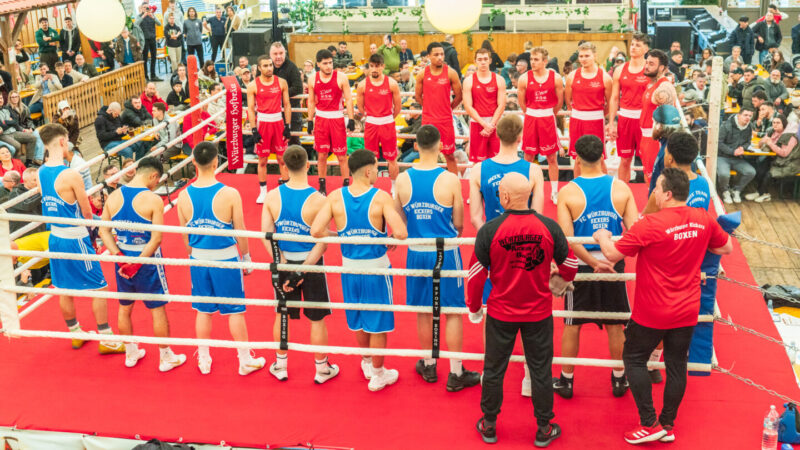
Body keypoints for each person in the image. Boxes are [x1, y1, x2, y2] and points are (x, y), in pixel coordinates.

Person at [593, 168, 733, 444]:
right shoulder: (703, 218)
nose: (653, 192)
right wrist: (703, 244)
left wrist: (601, 236)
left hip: (653, 310)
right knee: (677, 365)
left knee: (632, 359)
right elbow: (726, 248)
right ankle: (667, 424)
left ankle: (649, 423)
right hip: (687, 308)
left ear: (668, 194)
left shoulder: (651, 224)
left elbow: (611, 254)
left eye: (657, 188)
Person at [468, 171, 578, 448]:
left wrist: (473, 307)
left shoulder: (490, 230)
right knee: (540, 370)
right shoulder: (548, 227)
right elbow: (572, 266)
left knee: (493, 369)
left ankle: (489, 423)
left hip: (501, 312)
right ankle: (544, 427)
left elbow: (475, 275)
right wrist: (557, 279)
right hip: (538, 313)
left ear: (504, 197)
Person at [310, 149, 408, 392]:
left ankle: (367, 363)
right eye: (376, 167)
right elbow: (402, 233)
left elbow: (315, 231)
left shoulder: (334, 197)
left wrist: (341, 236)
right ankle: (377, 374)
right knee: (378, 323)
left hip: (349, 269)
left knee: (361, 320)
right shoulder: (381, 197)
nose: (378, 172)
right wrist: (390, 238)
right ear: (367, 170)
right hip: (376, 270)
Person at [394, 125, 481, 391]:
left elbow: (399, 218)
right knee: (452, 312)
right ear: (441, 145)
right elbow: (458, 222)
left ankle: (429, 365)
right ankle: (456, 371)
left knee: (423, 310)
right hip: (446, 252)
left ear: (416, 146)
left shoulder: (403, 179)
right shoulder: (450, 179)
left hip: (416, 251)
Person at [553, 134, 638, 399]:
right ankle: (619, 379)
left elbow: (566, 240)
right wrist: (609, 260)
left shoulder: (568, 192)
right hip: (614, 264)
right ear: (603, 156)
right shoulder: (622, 188)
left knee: (572, 323)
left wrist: (591, 263)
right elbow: (634, 233)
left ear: (576, 158)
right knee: (616, 325)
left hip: (581, 267)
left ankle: (566, 381)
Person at [176, 141, 265, 375]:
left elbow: (185, 236)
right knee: (235, 310)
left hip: (198, 259)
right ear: (216, 162)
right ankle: (244, 359)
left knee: (203, 310)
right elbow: (240, 230)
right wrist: (246, 257)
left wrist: (193, 255)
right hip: (226, 260)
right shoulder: (229, 193)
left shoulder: (183, 196)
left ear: (193, 161)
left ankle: (203, 358)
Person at [37, 123, 125, 353]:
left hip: (55, 237)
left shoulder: (40, 172)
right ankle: (106, 337)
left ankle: (75, 333)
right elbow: (87, 212)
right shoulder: (70, 174)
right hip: (75, 238)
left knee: (63, 287)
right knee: (99, 287)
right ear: (63, 142)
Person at [98, 157, 186, 371]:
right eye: (157, 180)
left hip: (122, 258)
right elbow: (156, 239)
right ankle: (166, 357)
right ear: (153, 176)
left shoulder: (114, 196)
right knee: (157, 309)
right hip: (147, 260)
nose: (156, 185)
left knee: (124, 307)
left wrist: (119, 256)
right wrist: (137, 264)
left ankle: (130, 353)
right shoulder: (153, 200)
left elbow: (103, 231)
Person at [259, 145, 338, 384]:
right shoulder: (318, 199)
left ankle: (280, 365)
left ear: (282, 165)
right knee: (317, 318)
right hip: (310, 264)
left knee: (282, 315)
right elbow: (321, 242)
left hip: (284, 264)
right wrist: (301, 269)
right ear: (308, 165)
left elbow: (266, 234)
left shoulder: (272, 196)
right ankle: (321, 368)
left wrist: (283, 265)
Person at [518, 47, 562, 203]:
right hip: (531, 118)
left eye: (536, 59)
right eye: (531, 59)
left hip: (548, 119)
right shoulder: (524, 78)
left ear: (545, 61)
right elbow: (522, 103)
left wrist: (547, 113)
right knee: (528, 156)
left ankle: (555, 191)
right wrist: (533, 113)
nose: (532, 62)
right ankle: (524, 190)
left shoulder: (555, 78)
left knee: (552, 158)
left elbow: (559, 102)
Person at [307, 49, 355, 194]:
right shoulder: (312, 79)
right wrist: (310, 120)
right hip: (321, 119)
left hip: (337, 119)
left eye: (330, 63)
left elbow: (348, 99)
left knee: (341, 155)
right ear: (318, 64)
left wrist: (351, 119)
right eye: (325, 63)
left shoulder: (341, 77)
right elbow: (310, 101)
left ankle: (346, 185)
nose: (328, 66)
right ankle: (322, 186)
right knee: (321, 155)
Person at [247, 55, 292, 202]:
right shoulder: (253, 85)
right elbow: (251, 109)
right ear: (259, 68)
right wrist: (254, 130)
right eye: (265, 66)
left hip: (278, 122)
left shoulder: (282, 82)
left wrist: (288, 125)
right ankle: (263, 192)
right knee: (262, 160)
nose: (269, 68)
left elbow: (287, 105)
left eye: (270, 65)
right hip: (263, 123)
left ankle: (286, 191)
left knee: (282, 159)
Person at [608, 33, 650, 186]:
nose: (633, 47)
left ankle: (650, 198)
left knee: (647, 161)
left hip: (645, 121)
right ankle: (622, 195)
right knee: (624, 160)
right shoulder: (620, 69)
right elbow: (614, 98)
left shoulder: (651, 69)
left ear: (646, 49)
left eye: (638, 45)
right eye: (632, 44)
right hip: (625, 119)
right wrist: (611, 122)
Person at [564, 42, 612, 177]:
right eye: (581, 56)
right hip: (577, 120)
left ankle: (605, 189)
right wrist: (576, 112)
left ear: (594, 56)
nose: (583, 59)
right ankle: (578, 189)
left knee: (599, 157)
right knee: (577, 158)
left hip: (596, 121)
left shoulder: (605, 77)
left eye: (587, 55)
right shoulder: (572, 76)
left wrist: (599, 114)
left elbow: (610, 102)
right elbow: (568, 100)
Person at [415, 42, 462, 174]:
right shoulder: (422, 74)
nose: (440, 57)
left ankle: (454, 184)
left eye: (442, 54)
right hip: (428, 121)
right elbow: (418, 96)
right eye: (436, 55)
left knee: (450, 156)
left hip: (445, 121)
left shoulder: (451, 73)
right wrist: (429, 107)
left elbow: (459, 96)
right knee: (428, 157)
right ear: (429, 56)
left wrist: (448, 108)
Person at [356, 53, 402, 190]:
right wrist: (371, 117)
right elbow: (360, 107)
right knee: (370, 159)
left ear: (383, 66)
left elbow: (398, 106)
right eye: (371, 66)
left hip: (387, 123)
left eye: (377, 66)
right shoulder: (362, 85)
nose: (374, 69)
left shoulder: (392, 83)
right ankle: (370, 187)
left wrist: (387, 118)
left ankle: (394, 188)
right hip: (371, 124)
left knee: (392, 158)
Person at [639, 49, 677, 183]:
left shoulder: (663, 87)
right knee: (648, 177)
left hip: (655, 139)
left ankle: (657, 204)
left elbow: (670, 119)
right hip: (646, 137)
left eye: (651, 64)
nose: (647, 66)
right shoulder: (652, 84)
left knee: (656, 180)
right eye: (647, 63)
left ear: (661, 68)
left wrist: (658, 139)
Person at [464, 48, 506, 167]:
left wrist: (490, 125)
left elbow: (501, 105)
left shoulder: (499, 79)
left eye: (485, 59)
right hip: (477, 123)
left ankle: (497, 185)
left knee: (498, 160)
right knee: (478, 162)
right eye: (480, 59)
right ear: (475, 61)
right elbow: (468, 106)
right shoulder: (468, 81)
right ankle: (478, 185)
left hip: (495, 123)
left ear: (490, 60)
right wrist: (484, 124)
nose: (483, 62)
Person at [717, 107, 756, 204]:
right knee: (724, 174)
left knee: (751, 172)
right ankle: (725, 191)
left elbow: (748, 142)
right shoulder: (726, 126)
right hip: (722, 156)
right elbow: (719, 143)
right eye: (745, 115)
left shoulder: (749, 126)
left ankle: (736, 190)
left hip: (737, 158)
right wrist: (732, 152)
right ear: (739, 115)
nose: (747, 118)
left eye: (750, 116)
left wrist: (743, 148)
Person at [270, 42, 304, 145]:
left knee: (293, 141)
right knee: (274, 142)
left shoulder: (292, 67)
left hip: (292, 111)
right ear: (270, 55)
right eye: (275, 54)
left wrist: (276, 93)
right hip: (272, 111)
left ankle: (297, 161)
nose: (278, 56)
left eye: (281, 53)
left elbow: (298, 88)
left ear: (285, 53)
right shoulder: (265, 66)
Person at [0, 94, 38, 163]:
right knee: (17, 145)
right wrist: (10, 122)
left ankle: (28, 162)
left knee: (33, 138)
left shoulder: (6, 108)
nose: (0, 100)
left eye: (1, 98)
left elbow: (15, 121)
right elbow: (2, 126)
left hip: (14, 132)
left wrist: (6, 122)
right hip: (4, 135)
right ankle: (13, 164)